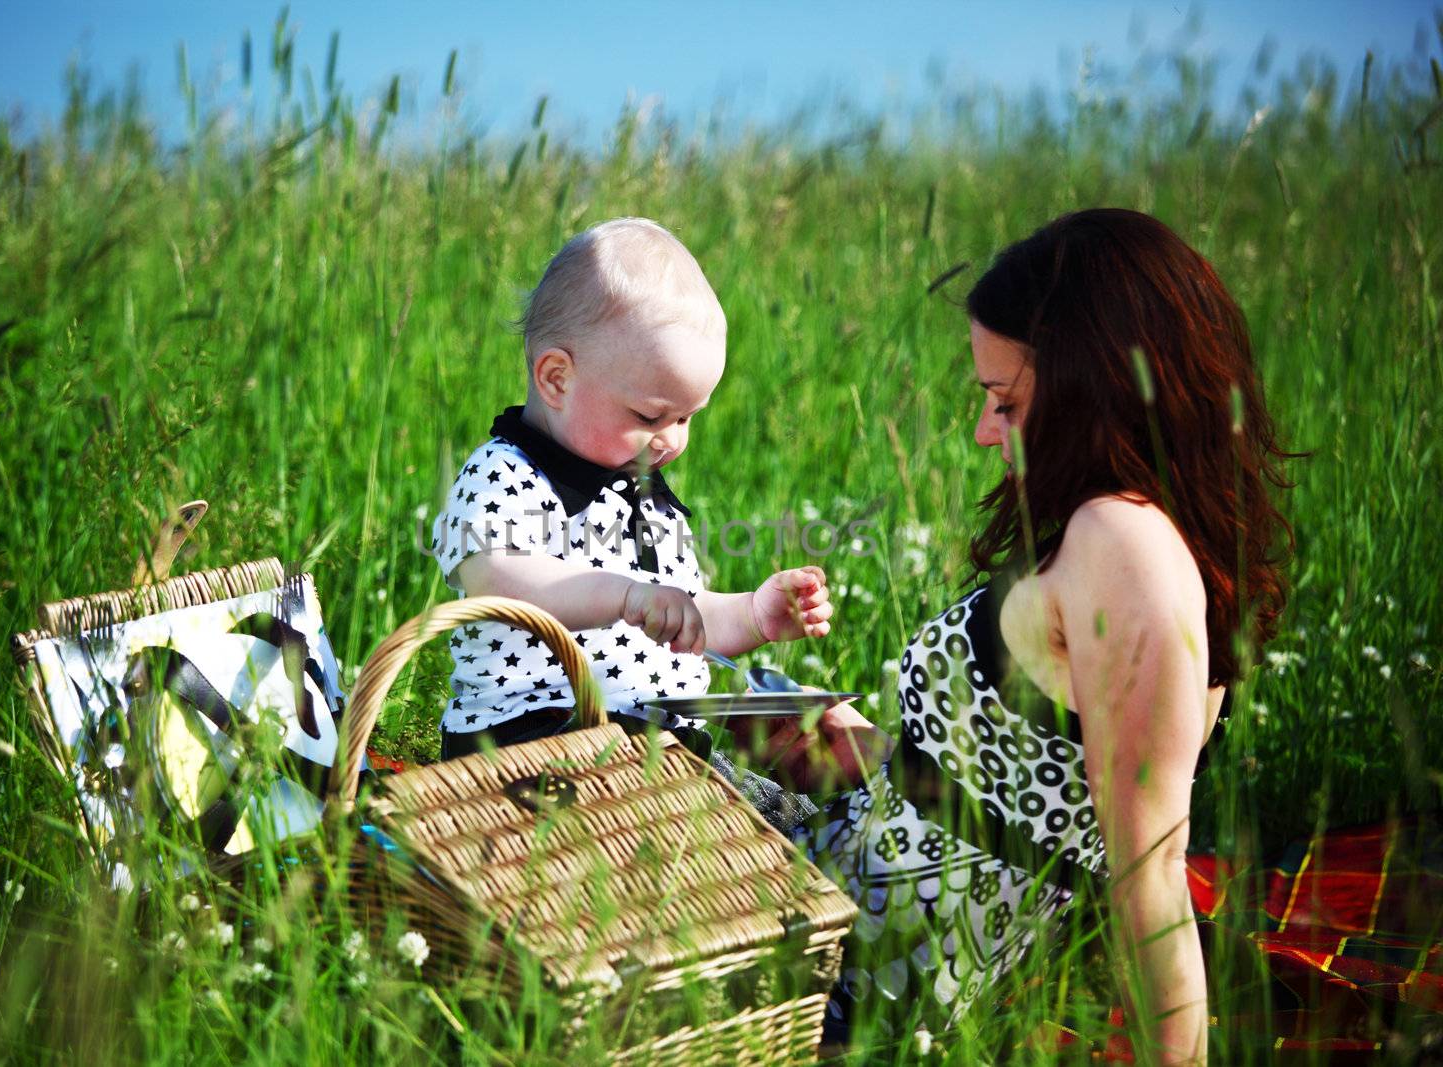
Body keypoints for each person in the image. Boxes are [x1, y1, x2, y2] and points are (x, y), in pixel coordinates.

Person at [741, 208, 1295, 1063]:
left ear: (1099, 385)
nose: (983, 430)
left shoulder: (1127, 545)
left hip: (863, 958)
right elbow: (1024, 798)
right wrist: (879, 754)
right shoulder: (1105, 527)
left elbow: (1149, 871)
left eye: (1007, 401)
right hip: (850, 872)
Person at [428, 217, 833, 761]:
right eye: (650, 415)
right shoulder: (505, 473)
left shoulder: (649, 504)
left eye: (687, 418)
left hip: (661, 746)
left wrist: (753, 616)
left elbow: (678, 621)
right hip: (536, 742)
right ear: (556, 379)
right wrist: (624, 595)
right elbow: (502, 582)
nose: (669, 441)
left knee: (791, 822)